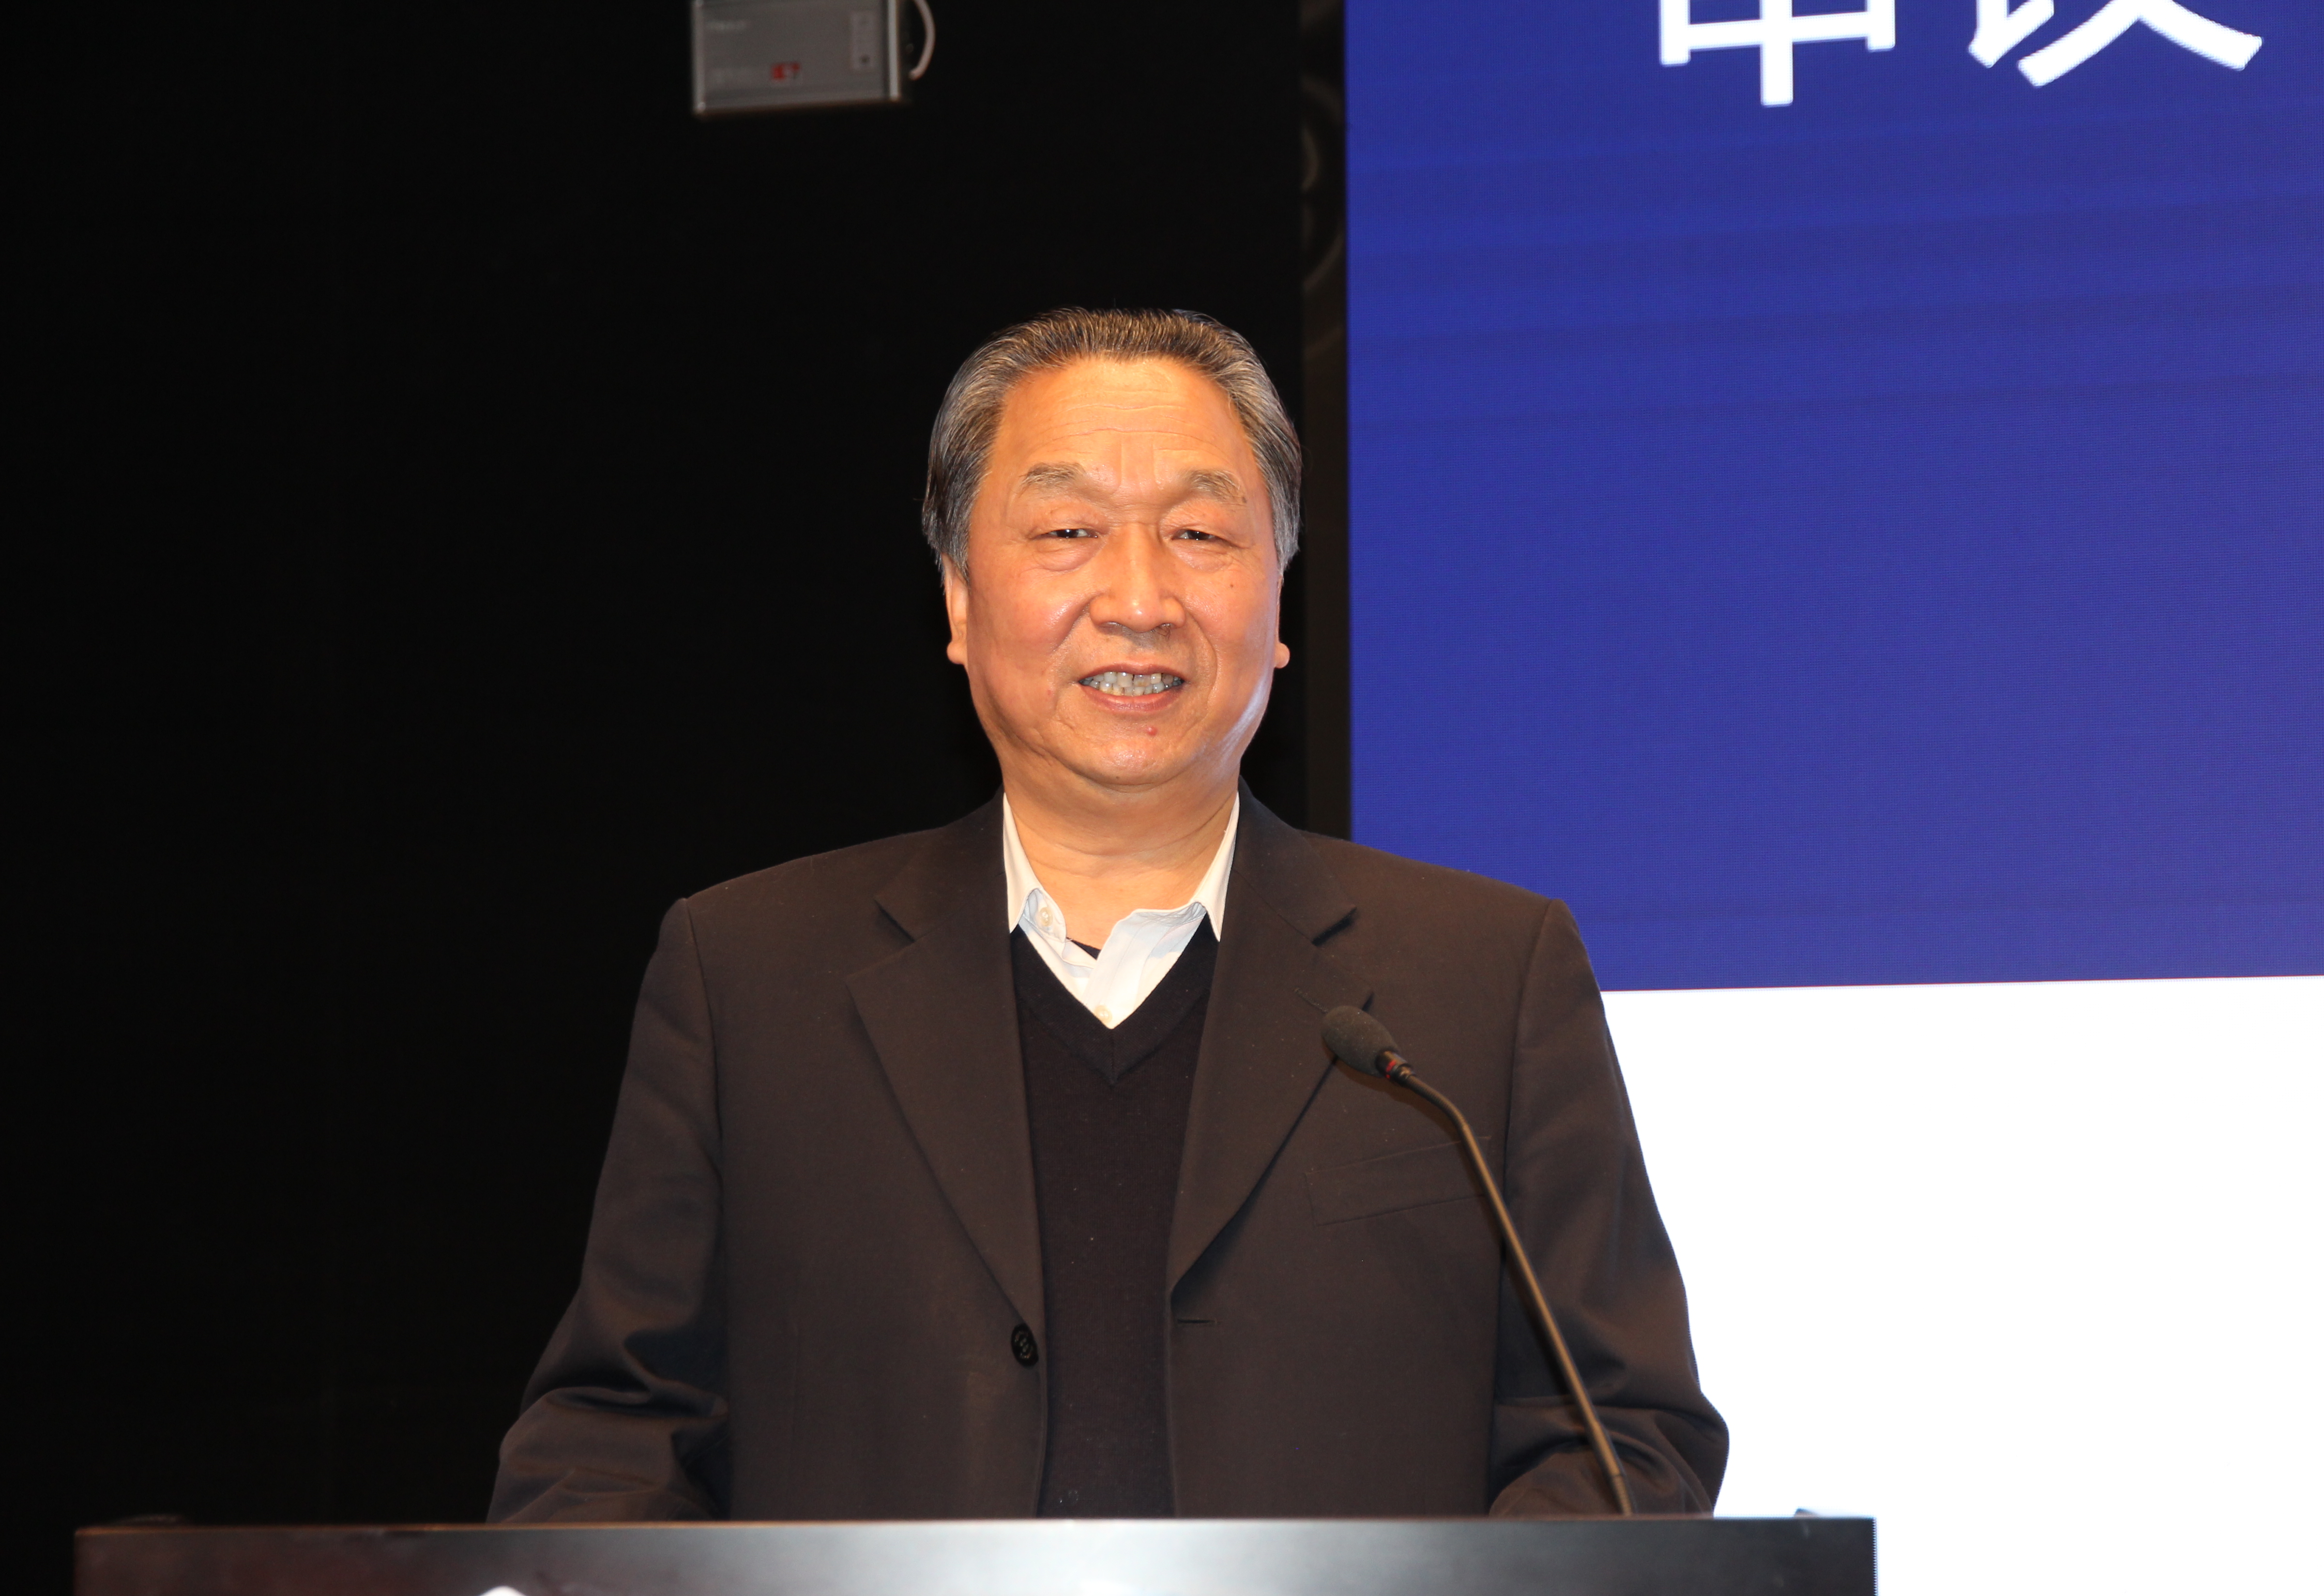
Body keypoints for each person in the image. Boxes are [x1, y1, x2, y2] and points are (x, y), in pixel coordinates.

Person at [490, 308, 1726, 1522]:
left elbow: (1621, 1445)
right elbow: (609, 1449)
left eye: (1200, 532)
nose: (1140, 597)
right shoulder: (750, 979)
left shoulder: (1485, 981)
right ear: (959, 599)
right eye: (1069, 530)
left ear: (1278, 602)